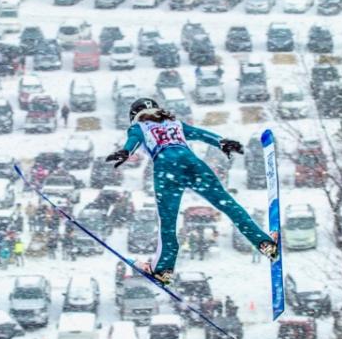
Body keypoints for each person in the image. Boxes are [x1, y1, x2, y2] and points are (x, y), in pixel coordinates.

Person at [105, 97, 276, 284]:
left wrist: (126, 152)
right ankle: (263, 243)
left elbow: (132, 141)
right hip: (192, 164)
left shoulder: (138, 127)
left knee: (168, 223)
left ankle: (164, 270)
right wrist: (221, 142)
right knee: (228, 204)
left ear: (134, 116)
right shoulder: (175, 124)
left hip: (166, 168)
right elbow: (200, 133)